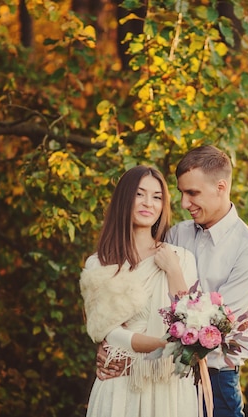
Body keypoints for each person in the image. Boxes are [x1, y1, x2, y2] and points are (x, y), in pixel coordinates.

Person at [97, 146, 248, 417]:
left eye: (192, 193)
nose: (183, 203)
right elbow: (139, 301)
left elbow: (210, 335)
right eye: (180, 193)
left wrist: (131, 360)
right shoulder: (178, 234)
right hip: (165, 382)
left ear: (221, 187)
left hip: (215, 381)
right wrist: (112, 348)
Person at [80, 165, 199, 417]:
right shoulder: (99, 264)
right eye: (139, 194)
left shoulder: (181, 258)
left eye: (157, 197)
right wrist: (160, 348)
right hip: (120, 384)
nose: (149, 203)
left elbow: (189, 322)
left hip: (169, 388)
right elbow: (108, 332)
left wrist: (174, 271)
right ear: (125, 198)